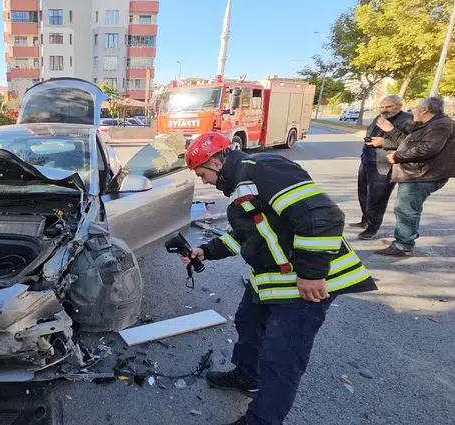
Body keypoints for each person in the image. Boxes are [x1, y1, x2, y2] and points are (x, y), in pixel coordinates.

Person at [180, 133, 377, 425]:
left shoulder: (262, 168)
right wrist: (206, 251)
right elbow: (249, 234)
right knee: (248, 323)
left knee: (281, 357)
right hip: (273, 280)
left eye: (202, 174)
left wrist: (311, 273)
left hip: (305, 284)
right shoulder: (239, 185)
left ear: (216, 163)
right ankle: (247, 377)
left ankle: (262, 420)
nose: (204, 182)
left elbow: (322, 215)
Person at [371, 96, 455, 256]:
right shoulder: (428, 124)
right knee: (406, 208)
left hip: (422, 175)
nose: (413, 111)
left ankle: (403, 245)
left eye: (416, 107)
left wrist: (397, 156)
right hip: (416, 174)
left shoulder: (441, 125)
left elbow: (428, 149)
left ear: (425, 110)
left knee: (406, 209)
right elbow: (406, 142)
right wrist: (391, 131)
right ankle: (403, 239)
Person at [351, 95, 413, 240]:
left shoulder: (408, 120)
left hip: (385, 164)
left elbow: (409, 142)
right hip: (367, 160)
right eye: (382, 107)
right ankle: (365, 220)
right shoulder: (379, 117)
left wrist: (384, 143)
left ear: (399, 106)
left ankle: (372, 227)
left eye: (389, 106)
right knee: (363, 193)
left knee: (377, 197)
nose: (385, 110)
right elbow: (370, 131)